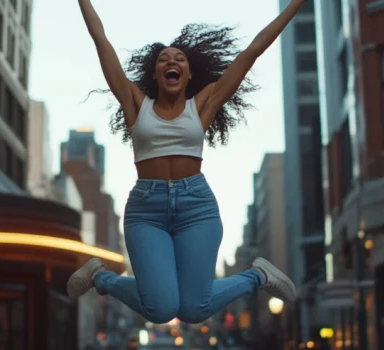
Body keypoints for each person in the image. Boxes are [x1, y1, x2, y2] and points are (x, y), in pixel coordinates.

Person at [68, 0, 309, 324]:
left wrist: (295, 6)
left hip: (196, 207)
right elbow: (101, 39)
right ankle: (100, 276)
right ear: (155, 73)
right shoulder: (136, 103)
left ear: (189, 72)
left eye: (179, 58)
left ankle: (257, 277)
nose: (172, 61)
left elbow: (252, 51)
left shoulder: (204, 103)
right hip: (146, 211)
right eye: (164, 59)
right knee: (162, 309)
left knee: (194, 309)